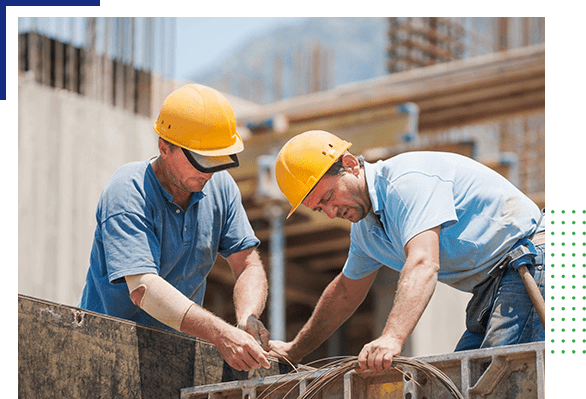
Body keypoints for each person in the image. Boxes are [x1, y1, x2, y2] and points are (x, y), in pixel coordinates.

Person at [269, 130, 545, 372]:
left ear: (350, 164)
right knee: (462, 382)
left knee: (501, 380)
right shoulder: (367, 231)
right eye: (319, 208)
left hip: (532, 259)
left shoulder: (405, 182)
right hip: (494, 285)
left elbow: (423, 262)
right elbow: (344, 294)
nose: (330, 213)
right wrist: (295, 350)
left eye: (329, 197)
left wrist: (392, 337)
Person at [79, 84, 271, 371]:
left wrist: (247, 319)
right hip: (104, 354)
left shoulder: (221, 188)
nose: (209, 172)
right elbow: (143, 288)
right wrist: (220, 333)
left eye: (217, 160)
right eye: (201, 160)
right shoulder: (129, 190)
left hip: (175, 358)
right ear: (164, 147)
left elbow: (247, 265)